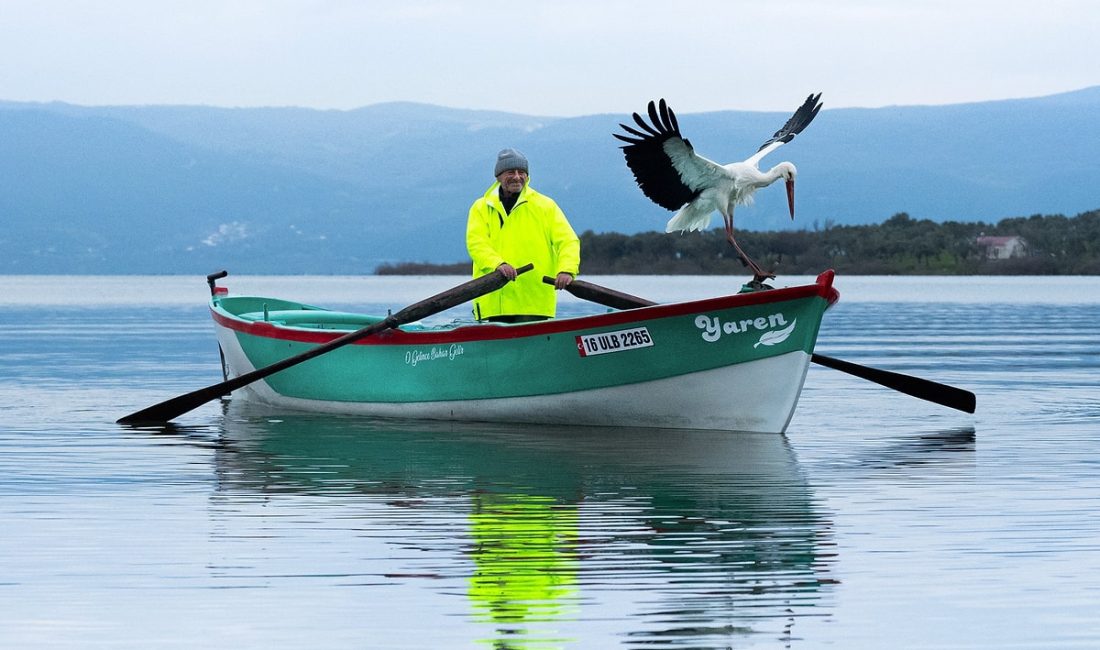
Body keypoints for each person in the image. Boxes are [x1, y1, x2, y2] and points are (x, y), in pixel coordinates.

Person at [466, 148, 580, 323]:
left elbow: (568, 241)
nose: (517, 177)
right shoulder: (480, 207)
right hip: (493, 301)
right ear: (498, 176)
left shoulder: (545, 206)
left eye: (522, 172)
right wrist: (498, 264)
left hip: (534, 301)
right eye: (511, 172)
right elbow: (476, 243)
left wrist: (567, 269)